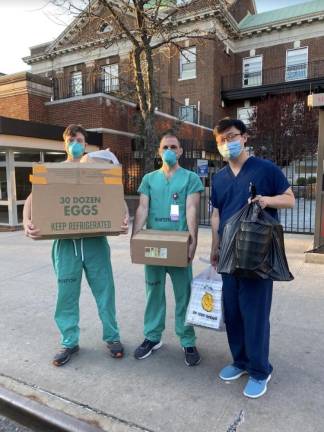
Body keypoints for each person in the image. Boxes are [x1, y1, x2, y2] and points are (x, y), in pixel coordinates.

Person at [23, 125, 129, 366]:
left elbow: (116, 197)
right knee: (66, 296)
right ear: (65, 144)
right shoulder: (54, 171)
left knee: (105, 292)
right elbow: (33, 198)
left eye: (80, 140)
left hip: (95, 245)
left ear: (86, 145)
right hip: (65, 245)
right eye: (72, 139)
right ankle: (69, 341)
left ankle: (112, 337)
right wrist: (26, 222)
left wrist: (124, 218)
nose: (76, 143)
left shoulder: (98, 171)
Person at [210, 118, 295, 398]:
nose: (227, 143)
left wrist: (267, 201)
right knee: (233, 312)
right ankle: (241, 361)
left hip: (257, 254)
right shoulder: (219, 178)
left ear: (245, 137)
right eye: (221, 140)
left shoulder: (265, 169)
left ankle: (260, 370)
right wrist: (214, 245)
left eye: (231, 137)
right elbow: (217, 213)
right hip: (228, 256)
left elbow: (290, 198)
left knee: (255, 314)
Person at [132, 131, 204, 366]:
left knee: (184, 294)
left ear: (181, 151)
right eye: (165, 147)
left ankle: (187, 339)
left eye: (174, 146)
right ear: (158, 151)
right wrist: (135, 238)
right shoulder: (149, 179)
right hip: (153, 246)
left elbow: (192, 208)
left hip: (179, 246)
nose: (169, 151)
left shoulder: (190, 178)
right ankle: (152, 337)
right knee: (153, 292)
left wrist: (193, 240)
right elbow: (143, 208)